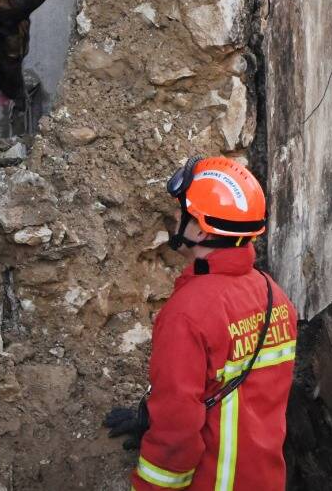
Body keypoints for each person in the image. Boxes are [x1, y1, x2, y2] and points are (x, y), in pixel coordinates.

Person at [102, 155, 296, 490]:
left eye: (183, 210)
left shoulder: (187, 314)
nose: (175, 216)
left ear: (202, 229)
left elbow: (177, 433)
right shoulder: (274, 296)